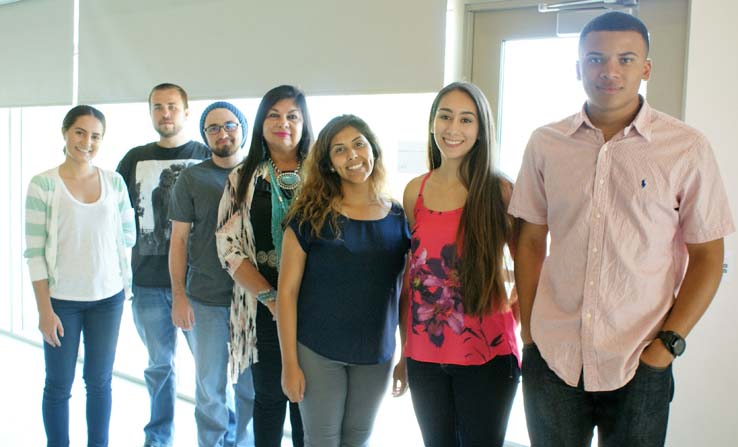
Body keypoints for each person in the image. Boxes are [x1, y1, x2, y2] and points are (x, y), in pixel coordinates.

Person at [509, 11, 735, 447]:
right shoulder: (546, 143)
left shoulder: (686, 148)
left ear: (645, 68)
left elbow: (709, 255)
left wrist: (667, 346)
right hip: (554, 357)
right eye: (595, 59)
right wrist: (531, 333)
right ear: (578, 68)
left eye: (625, 59)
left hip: (640, 360)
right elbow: (531, 238)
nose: (609, 71)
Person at [394, 81, 520, 446]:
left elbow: (529, 270)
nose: (453, 129)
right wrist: (404, 352)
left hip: (489, 354)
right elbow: (410, 280)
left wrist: (516, 325)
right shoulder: (414, 191)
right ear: (433, 122)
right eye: (445, 116)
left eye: (466, 120)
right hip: (425, 354)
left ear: (481, 131)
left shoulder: (500, 191)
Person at [277, 114, 410, 447]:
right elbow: (287, 292)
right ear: (329, 164)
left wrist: (407, 354)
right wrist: (289, 364)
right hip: (318, 350)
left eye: (359, 144)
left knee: (358, 440)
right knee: (322, 440)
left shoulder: (397, 216)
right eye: (340, 150)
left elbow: (407, 293)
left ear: (373, 150)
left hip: (376, 352)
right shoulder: (309, 215)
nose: (352, 155)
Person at [24, 105, 136, 446]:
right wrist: (45, 310)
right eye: (80, 132)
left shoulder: (114, 181)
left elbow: (127, 236)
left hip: (108, 299)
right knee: (58, 384)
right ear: (65, 132)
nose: (87, 142)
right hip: (62, 303)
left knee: (100, 382)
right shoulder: (43, 184)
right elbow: (35, 253)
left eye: (96, 136)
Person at [116, 83, 210, 447]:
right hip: (148, 283)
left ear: (186, 111)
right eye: (158, 107)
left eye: (172, 106)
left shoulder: (206, 155)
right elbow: (116, 216)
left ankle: (223, 435)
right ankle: (159, 437)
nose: (165, 113)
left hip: (200, 284)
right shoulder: (133, 159)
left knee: (210, 370)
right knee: (159, 367)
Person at [216, 85, 311, 446]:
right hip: (263, 306)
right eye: (273, 115)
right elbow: (228, 246)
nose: (282, 122)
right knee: (270, 398)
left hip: (317, 307)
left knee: (309, 403)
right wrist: (271, 297)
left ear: (304, 124)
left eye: (292, 116)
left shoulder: (324, 177)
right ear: (260, 123)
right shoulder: (242, 179)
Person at [169, 101, 255, 446]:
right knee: (210, 389)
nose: (223, 133)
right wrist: (178, 296)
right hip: (205, 300)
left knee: (250, 387)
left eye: (230, 125)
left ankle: (244, 440)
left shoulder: (260, 174)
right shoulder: (191, 178)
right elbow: (178, 241)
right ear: (205, 135)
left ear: (243, 130)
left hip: (252, 300)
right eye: (214, 128)